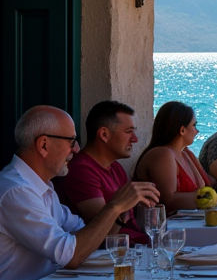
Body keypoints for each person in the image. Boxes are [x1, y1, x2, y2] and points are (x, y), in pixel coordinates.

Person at [0, 106, 159, 280]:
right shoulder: (15, 192)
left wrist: (117, 213)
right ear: (44, 145)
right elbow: (71, 255)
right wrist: (114, 207)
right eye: (71, 141)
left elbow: (85, 233)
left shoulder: (40, 187)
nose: (76, 149)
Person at [54, 100, 148, 244]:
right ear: (104, 134)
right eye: (128, 132)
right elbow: (105, 233)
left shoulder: (116, 167)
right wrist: (123, 206)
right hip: (110, 256)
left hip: (134, 246)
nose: (135, 139)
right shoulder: (81, 170)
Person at [133, 101, 214, 212]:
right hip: (162, 226)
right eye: (194, 125)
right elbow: (168, 201)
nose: (197, 131)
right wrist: (211, 199)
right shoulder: (163, 154)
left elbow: (201, 188)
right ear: (182, 130)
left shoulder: (185, 154)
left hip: (184, 223)